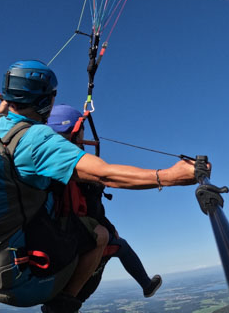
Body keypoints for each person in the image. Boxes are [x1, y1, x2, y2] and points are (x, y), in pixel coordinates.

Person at [0, 60, 198, 313]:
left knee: (116, 242)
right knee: (104, 237)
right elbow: (105, 175)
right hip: (33, 260)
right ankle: (64, 305)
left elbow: (2, 112)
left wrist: (6, 100)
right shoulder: (43, 144)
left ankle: (145, 284)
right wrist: (169, 176)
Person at [47, 104, 162, 299]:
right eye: (82, 130)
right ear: (73, 131)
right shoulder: (75, 167)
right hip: (70, 234)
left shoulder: (43, 159)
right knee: (119, 245)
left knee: (111, 238)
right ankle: (146, 285)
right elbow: (92, 210)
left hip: (51, 231)